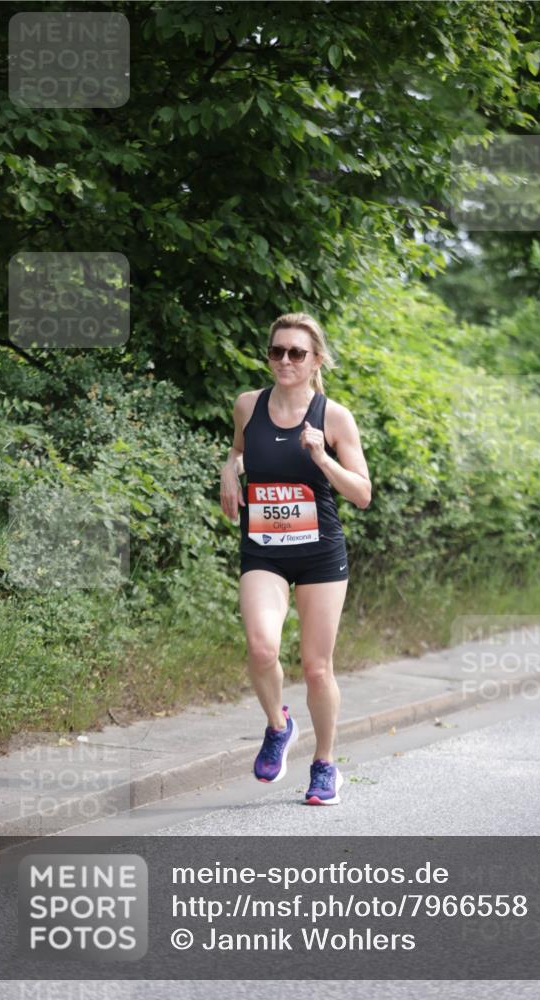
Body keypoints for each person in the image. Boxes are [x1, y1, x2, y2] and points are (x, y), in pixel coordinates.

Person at [219, 312, 371, 805]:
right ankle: (278, 726)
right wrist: (228, 470)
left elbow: (363, 493)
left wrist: (322, 458)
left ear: (316, 360)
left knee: (316, 667)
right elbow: (239, 450)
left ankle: (325, 764)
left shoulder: (334, 417)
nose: (285, 360)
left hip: (319, 555)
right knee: (262, 648)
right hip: (263, 550)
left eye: (296, 353)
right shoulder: (248, 405)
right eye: (277, 351)